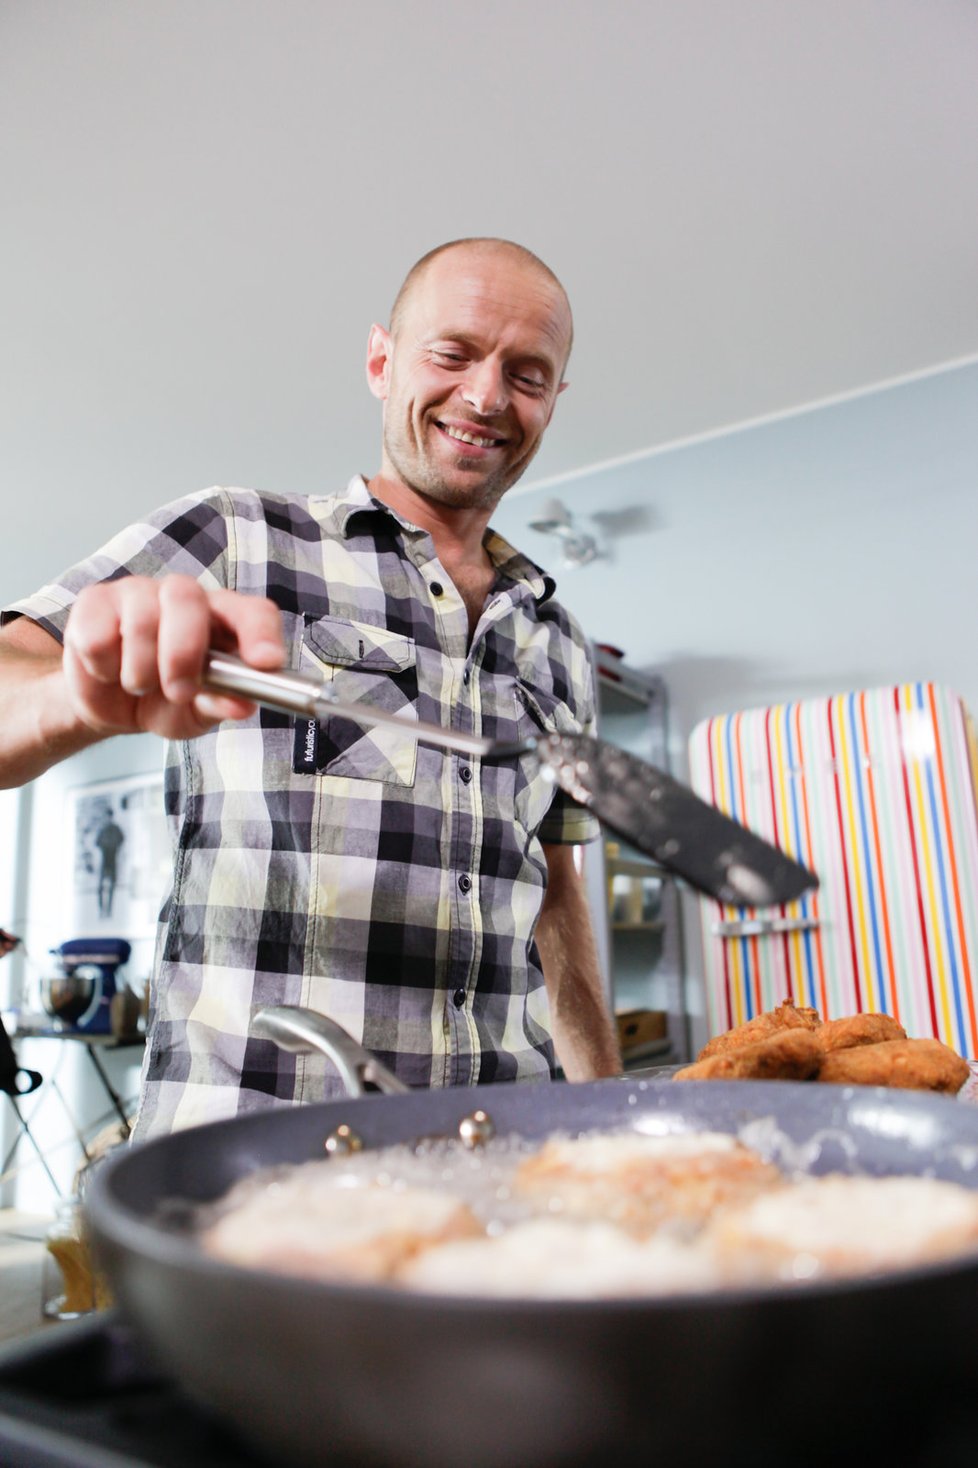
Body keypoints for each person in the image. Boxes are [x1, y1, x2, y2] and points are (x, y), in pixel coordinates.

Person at [0, 237, 621, 1138]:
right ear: (382, 359)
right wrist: (74, 695)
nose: (486, 397)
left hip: (495, 1152)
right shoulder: (239, 538)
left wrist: (604, 1111)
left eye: (527, 374)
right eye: (451, 354)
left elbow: (555, 888)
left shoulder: (556, 641)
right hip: (253, 1154)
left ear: (553, 400)